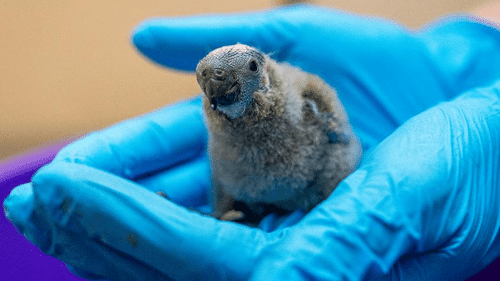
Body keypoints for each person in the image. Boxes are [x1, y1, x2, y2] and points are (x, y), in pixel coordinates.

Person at [4, 4, 500, 280]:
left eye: (244, 75)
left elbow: (330, 118)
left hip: (323, 176)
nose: (223, 93)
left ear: (261, 68)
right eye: (211, 87)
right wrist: (482, 43)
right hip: (251, 186)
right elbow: (222, 170)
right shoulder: (218, 126)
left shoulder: (299, 89)